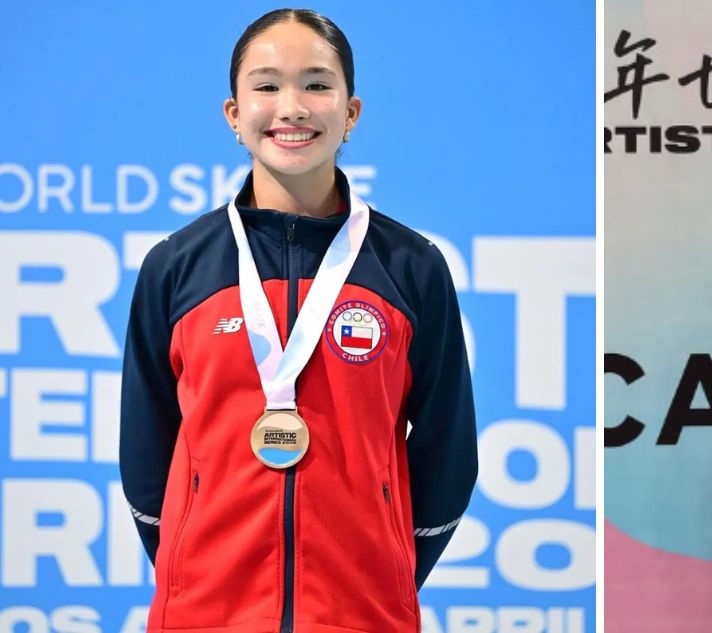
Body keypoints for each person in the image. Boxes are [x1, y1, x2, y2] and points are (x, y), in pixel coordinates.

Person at [119, 9, 477, 633]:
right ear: (234, 115)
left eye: (316, 84)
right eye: (267, 86)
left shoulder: (411, 267)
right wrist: (192, 568)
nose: (292, 107)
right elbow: (146, 452)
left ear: (351, 112)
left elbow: (448, 452)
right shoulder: (176, 267)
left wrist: (385, 571)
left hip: (362, 614)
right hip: (205, 615)